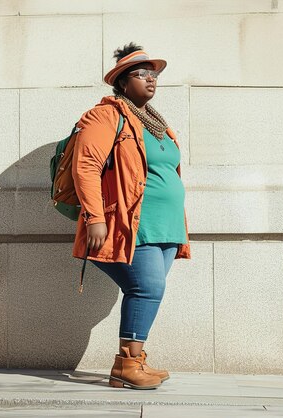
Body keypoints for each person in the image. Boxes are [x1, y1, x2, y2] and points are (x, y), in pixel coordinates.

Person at [71, 42, 191, 390]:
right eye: (142, 74)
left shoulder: (157, 123)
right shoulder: (106, 115)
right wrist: (95, 216)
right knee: (148, 286)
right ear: (122, 83)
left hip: (166, 226)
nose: (151, 80)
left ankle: (132, 361)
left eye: (154, 74)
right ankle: (126, 365)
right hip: (130, 223)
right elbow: (86, 166)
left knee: (147, 290)